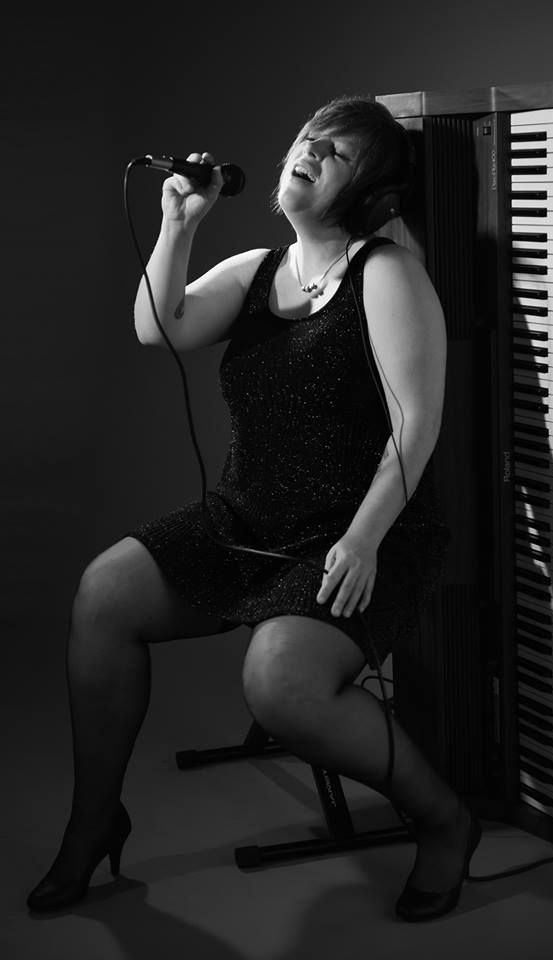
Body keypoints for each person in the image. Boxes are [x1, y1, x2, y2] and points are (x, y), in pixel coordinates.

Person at [26, 95, 481, 921]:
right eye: (311, 137)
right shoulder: (259, 271)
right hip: (248, 519)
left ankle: (445, 819)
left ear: (370, 192)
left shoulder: (387, 273)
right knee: (104, 594)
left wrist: (364, 539)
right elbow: (158, 328)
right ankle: (95, 819)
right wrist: (179, 223)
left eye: (338, 152)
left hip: (363, 531)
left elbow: (416, 423)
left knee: (279, 682)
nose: (312, 151)